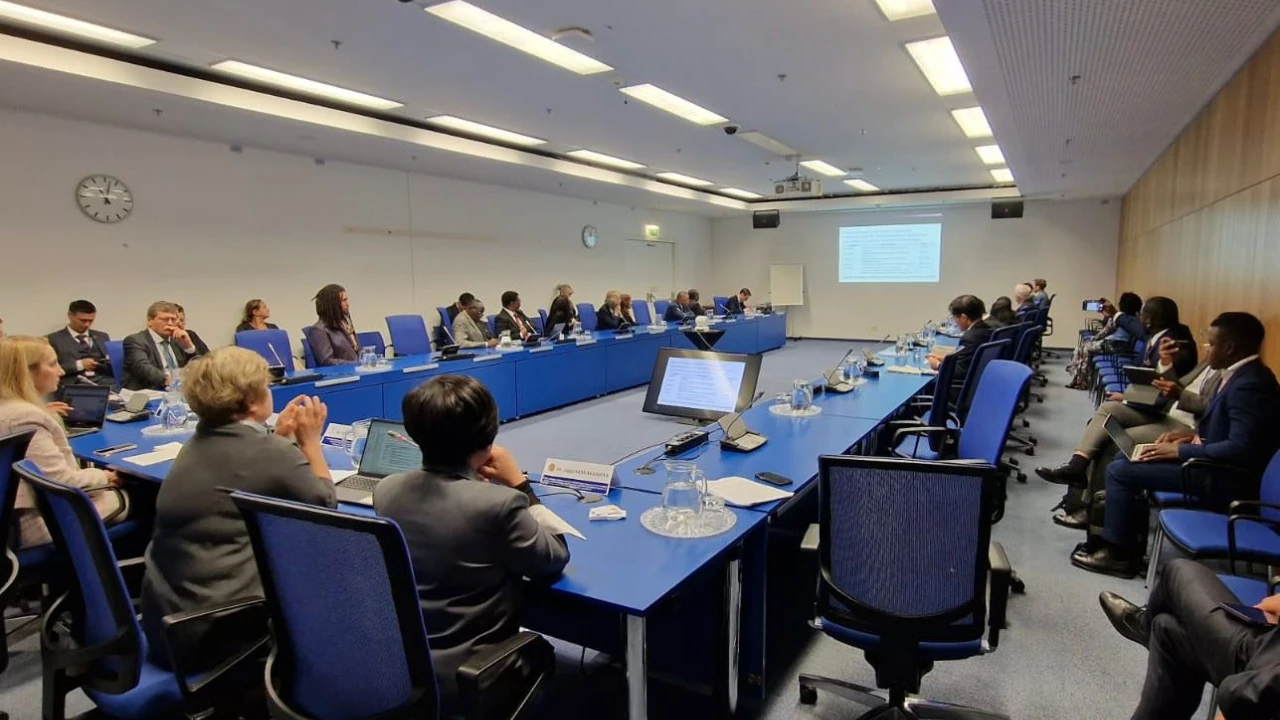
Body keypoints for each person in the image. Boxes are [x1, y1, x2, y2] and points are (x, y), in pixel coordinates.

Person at [374, 375, 569, 712]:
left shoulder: (386, 490)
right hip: (472, 678)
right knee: (544, 656)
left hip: (401, 667)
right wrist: (521, 485)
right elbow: (553, 556)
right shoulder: (497, 505)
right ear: (488, 437)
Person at [140, 347, 334, 670]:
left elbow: (245, 465)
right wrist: (310, 443)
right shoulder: (267, 451)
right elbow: (325, 504)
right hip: (217, 636)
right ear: (252, 401)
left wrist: (278, 437)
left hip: (167, 621)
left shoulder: (198, 441)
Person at [1072, 312, 1280, 578]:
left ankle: (1119, 555)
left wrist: (1181, 450)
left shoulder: (1251, 384)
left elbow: (1242, 449)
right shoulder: (1240, 375)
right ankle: (1125, 542)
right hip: (1212, 463)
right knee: (1128, 460)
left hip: (1224, 477)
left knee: (1121, 472)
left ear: (1230, 348)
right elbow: (1222, 428)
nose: (1206, 349)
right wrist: (1185, 438)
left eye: (1212, 344)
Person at [1038, 296, 1201, 489]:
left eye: (1142, 315)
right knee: (1106, 410)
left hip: (1162, 410)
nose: (1138, 318)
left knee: (1111, 435)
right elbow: (1134, 328)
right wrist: (1126, 397)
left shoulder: (1175, 344)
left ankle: (1089, 506)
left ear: (1149, 320)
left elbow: (1166, 387)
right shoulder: (1157, 334)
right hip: (1149, 402)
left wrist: (1128, 399)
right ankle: (1077, 465)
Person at [1098, 559, 1280, 719]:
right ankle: (1148, 627)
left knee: (1177, 571)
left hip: (1264, 662)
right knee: (1167, 630)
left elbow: (1249, 698)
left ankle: (1143, 626)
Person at [0, 336, 128, 547]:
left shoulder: (9, 409)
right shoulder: (24, 418)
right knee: (152, 496)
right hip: (45, 524)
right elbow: (63, 484)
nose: (61, 371)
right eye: (52, 364)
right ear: (26, 372)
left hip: (20, 523)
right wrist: (104, 477)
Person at [123, 301, 206, 390]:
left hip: (178, 391)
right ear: (150, 321)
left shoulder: (177, 339)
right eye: (165, 319)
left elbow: (200, 366)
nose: (170, 323)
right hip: (150, 390)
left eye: (173, 320)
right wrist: (171, 381)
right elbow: (143, 367)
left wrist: (189, 347)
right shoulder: (135, 340)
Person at [926, 295, 993, 387]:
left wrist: (937, 365)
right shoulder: (989, 330)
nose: (955, 323)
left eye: (955, 318)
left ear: (964, 317)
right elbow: (969, 359)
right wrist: (946, 358)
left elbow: (959, 373)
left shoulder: (969, 338)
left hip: (960, 391)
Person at [46, 299, 113, 388]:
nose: (86, 324)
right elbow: (48, 369)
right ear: (70, 316)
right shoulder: (52, 339)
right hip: (71, 387)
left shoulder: (102, 337)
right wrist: (79, 365)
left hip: (107, 385)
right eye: (83, 320)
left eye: (91, 321)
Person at [308, 283, 360, 366]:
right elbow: (327, 361)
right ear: (333, 304)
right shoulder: (319, 330)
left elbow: (356, 352)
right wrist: (355, 364)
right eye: (344, 300)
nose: (348, 304)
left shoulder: (345, 324)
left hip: (356, 370)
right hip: (342, 375)